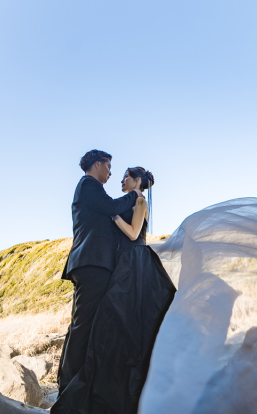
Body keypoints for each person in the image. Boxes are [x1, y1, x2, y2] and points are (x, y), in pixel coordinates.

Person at [52, 167, 176, 414]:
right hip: (121, 264)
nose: (121, 180)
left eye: (126, 177)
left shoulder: (139, 201)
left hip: (135, 264)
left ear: (137, 180)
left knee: (132, 324)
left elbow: (133, 233)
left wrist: (114, 217)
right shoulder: (126, 201)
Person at [55, 150, 138, 412]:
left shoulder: (89, 188)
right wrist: (134, 195)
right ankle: (69, 387)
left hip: (93, 264)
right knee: (82, 326)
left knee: (86, 325)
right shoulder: (89, 185)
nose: (111, 172)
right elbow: (112, 207)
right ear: (98, 164)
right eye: (109, 166)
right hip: (92, 263)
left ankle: (80, 386)